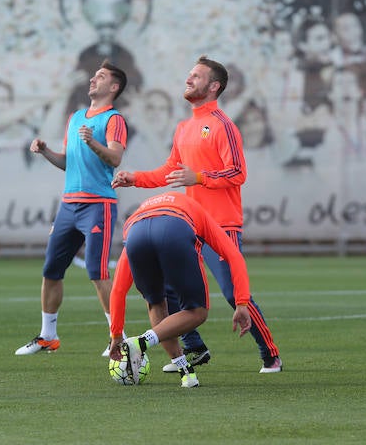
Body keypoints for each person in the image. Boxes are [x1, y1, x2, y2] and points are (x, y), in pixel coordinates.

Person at [113, 55, 282, 374]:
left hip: (221, 224)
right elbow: (170, 171)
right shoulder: (184, 127)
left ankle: (270, 354)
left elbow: (237, 172)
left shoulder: (222, 125)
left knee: (234, 294)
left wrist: (200, 178)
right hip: (187, 227)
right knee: (169, 293)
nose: (188, 79)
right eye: (189, 74)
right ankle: (194, 349)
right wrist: (135, 178)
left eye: (196, 76)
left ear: (214, 86)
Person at [14, 60, 128, 357]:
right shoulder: (76, 117)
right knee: (51, 269)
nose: (93, 79)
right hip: (69, 205)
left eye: (101, 76)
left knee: (97, 271)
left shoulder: (114, 119)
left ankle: (118, 336)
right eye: (94, 74)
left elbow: (115, 159)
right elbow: (67, 162)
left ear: (114, 87)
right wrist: (45, 151)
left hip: (98, 206)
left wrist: (92, 143)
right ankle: (47, 336)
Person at [108, 191, 252, 388]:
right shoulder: (198, 212)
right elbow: (233, 256)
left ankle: (186, 372)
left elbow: (118, 290)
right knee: (198, 312)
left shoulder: (143, 213)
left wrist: (116, 334)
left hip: (135, 233)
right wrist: (242, 302)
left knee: (155, 302)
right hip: (174, 228)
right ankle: (141, 343)